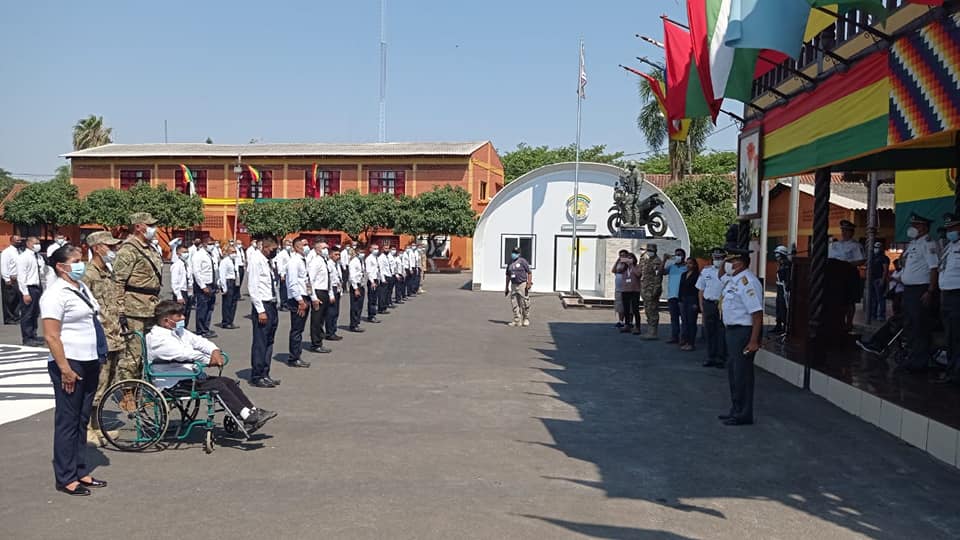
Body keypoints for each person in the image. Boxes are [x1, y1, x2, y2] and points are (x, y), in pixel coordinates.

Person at [146, 301, 276, 432]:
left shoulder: (177, 331)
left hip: (186, 375)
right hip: (171, 382)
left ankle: (252, 411)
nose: (183, 317)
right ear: (166, 321)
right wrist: (209, 361)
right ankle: (247, 416)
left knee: (228, 382)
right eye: (179, 316)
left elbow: (199, 341)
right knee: (217, 386)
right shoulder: (158, 339)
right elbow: (185, 354)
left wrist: (215, 350)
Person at [41, 245, 108, 496]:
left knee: (81, 419)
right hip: (70, 362)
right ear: (61, 266)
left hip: (89, 359)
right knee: (67, 421)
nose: (82, 264)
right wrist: (64, 369)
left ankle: (80, 469)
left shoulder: (81, 287)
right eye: (76, 260)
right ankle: (66, 477)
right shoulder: (54, 294)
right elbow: (51, 335)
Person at [80, 231, 123, 446]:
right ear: (97, 248)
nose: (113, 250)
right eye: (109, 246)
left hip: (114, 335)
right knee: (95, 385)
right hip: (100, 338)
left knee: (106, 385)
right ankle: (86, 429)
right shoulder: (88, 275)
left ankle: (97, 425)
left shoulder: (107, 271)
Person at [113, 212, 164, 383]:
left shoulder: (150, 248)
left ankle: (142, 388)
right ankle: (128, 390)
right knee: (133, 354)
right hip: (133, 309)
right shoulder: (128, 250)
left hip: (150, 307)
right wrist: (120, 310)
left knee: (148, 352)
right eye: (150, 225)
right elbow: (118, 282)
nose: (153, 229)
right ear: (138, 227)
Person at [719, 248, 764, 427]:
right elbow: (720, 275)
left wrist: (754, 341)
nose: (726, 264)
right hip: (732, 331)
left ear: (739, 263)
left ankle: (744, 414)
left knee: (742, 374)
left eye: (730, 261)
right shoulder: (734, 280)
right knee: (734, 372)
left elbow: (757, 314)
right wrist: (725, 262)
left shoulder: (748, 282)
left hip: (743, 332)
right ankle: (736, 409)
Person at [900, 213, 940, 373]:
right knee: (909, 324)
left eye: (916, 225)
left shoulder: (928, 244)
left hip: (921, 290)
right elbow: (904, 262)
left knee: (919, 326)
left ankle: (919, 362)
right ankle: (912, 358)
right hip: (909, 290)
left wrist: (930, 290)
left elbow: (934, 268)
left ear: (923, 227)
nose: (912, 228)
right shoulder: (913, 244)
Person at [247, 236, 281, 388]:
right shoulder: (256, 260)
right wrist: (260, 310)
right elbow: (253, 287)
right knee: (261, 342)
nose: (274, 252)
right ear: (266, 248)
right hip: (263, 305)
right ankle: (257, 375)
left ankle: (265, 373)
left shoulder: (269, 262)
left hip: (271, 304)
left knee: (269, 341)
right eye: (273, 249)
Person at [697, 248, 728, 368]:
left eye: (720, 258)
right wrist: (701, 305)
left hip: (722, 305)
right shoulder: (706, 271)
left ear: (724, 259)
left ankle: (721, 358)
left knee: (721, 332)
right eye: (715, 258)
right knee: (709, 331)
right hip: (709, 304)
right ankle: (711, 356)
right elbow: (701, 289)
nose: (717, 260)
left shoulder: (728, 272)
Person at [285, 238, 312, 368]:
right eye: (303, 245)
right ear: (296, 247)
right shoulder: (293, 262)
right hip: (298, 299)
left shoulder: (303, 260)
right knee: (296, 329)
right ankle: (294, 357)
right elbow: (292, 283)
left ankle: (297, 355)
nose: (306, 247)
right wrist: (300, 301)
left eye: (307, 244)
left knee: (300, 329)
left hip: (305, 296)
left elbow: (306, 280)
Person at [17, 236, 46, 346]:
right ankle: (27, 337)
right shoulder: (24, 257)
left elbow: (42, 272)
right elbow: (21, 277)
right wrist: (25, 293)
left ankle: (33, 334)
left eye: (38, 243)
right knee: (27, 313)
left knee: (35, 313)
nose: (38, 245)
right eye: (35, 243)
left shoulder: (38, 256)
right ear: (28, 244)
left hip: (37, 287)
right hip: (29, 288)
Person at [307, 241, 333, 353]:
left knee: (321, 319)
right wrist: (313, 297)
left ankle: (319, 340)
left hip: (324, 291)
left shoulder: (324, 261)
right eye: (323, 248)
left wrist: (330, 293)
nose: (326, 250)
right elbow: (310, 280)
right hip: (318, 292)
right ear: (317, 249)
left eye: (327, 247)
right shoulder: (315, 262)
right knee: (316, 319)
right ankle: (316, 344)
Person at [191, 236, 218, 338]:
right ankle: (201, 330)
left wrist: (217, 283)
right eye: (210, 244)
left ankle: (206, 328)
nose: (212, 246)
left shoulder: (211, 254)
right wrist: (203, 286)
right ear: (204, 244)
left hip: (212, 284)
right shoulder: (198, 255)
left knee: (210, 308)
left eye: (213, 243)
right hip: (203, 285)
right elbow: (196, 272)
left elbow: (215, 269)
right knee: (202, 308)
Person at [637, 243, 663, 340]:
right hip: (645, 289)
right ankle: (650, 331)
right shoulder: (647, 260)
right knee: (648, 310)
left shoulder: (657, 261)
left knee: (652, 311)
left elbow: (658, 276)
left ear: (655, 251)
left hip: (652, 289)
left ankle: (653, 332)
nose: (649, 252)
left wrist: (656, 290)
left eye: (651, 250)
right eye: (648, 250)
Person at [663, 248, 687, 345]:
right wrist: (664, 260)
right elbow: (661, 272)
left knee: (684, 319)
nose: (677, 256)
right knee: (674, 318)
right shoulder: (671, 267)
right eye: (676, 255)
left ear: (683, 256)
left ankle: (684, 338)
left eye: (679, 255)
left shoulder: (686, 267)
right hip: (672, 296)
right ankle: (674, 336)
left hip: (682, 296)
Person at [504, 246, 532, 327]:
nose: (514, 254)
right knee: (514, 303)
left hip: (522, 284)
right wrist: (506, 287)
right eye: (513, 252)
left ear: (519, 254)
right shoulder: (510, 263)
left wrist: (528, 283)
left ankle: (526, 319)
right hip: (513, 285)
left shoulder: (523, 261)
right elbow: (508, 275)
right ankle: (517, 320)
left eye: (516, 253)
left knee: (525, 302)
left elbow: (529, 273)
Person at [679, 257, 701, 351]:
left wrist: (697, 303)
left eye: (690, 263)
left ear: (695, 265)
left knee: (691, 322)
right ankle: (685, 340)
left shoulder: (697, 275)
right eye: (687, 263)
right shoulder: (684, 274)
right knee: (684, 321)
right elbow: (681, 287)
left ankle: (691, 343)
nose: (688, 265)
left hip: (692, 300)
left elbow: (698, 290)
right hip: (683, 299)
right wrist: (680, 299)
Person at [170, 244, 194, 327]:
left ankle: (184, 329)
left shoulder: (187, 264)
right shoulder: (176, 266)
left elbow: (189, 279)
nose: (186, 254)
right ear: (178, 254)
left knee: (187, 313)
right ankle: (178, 330)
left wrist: (191, 292)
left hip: (187, 291)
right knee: (179, 314)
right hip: (181, 292)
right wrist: (179, 296)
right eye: (183, 252)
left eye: (187, 252)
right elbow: (174, 282)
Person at [618, 252, 642, 334]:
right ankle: (627, 325)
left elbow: (638, 274)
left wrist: (631, 265)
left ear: (634, 259)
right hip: (625, 290)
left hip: (635, 291)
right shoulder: (624, 268)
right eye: (627, 258)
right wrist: (621, 261)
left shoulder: (637, 266)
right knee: (626, 309)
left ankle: (637, 327)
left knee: (635, 309)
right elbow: (617, 270)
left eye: (630, 258)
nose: (629, 260)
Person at [1, 234, 22, 325]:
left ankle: (16, 317)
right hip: (10, 279)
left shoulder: (20, 251)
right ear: (11, 241)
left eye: (20, 240)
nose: (19, 242)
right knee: (9, 300)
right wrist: (6, 279)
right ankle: (9, 318)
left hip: (18, 279)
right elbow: (3, 266)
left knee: (17, 299)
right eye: (17, 240)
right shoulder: (7, 252)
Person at [217, 245, 238, 329]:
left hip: (234, 282)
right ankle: (225, 322)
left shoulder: (234, 261)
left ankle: (230, 321)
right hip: (228, 282)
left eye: (235, 251)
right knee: (227, 303)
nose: (234, 253)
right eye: (232, 252)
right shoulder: (225, 261)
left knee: (233, 303)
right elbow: (222, 275)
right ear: (228, 252)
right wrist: (224, 287)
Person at [868, 241, 890, 322]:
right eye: (875, 247)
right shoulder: (873, 257)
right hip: (872, 279)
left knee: (880, 298)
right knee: (873, 298)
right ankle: (873, 315)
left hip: (879, 279)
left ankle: (881, 315)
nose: (876, 249)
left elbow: (885, 270)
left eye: (878, 247)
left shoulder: (884, 258)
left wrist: (883, 280)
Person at [772, 245, 792, 333]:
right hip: (779, 287)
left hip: (784, 288)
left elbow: (788, 277)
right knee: (778, 306)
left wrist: (787, 286)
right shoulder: (781, 264)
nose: (776, 256)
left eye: (778, 254)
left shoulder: (787, 264)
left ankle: (785, 327)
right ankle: (778, 324)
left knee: (784, 307)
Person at [325, 247, 344, 341]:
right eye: (336, 254)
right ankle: (329, 332)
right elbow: (329, 280)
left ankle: (333, 330)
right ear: (330, 255)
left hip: (337, 288)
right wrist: (331, 294)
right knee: (331, 312)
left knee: (336, 312)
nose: (338, 256)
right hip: (332, 288)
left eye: (339, 254)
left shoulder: (337, 264)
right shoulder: (329, 264)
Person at [347, 247, 366, 332]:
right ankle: (353, 325)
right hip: (356, 286)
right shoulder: (354, 262)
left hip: (361, 284)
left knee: (359, 306)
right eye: (361, 252)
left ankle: (357, 323)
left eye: (363, 252)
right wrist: (355, 288)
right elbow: (352, 276)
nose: (363, 254)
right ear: (357, 252)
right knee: (355, 306)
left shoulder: (360, 261)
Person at [611, 249, 629, 328]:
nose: (622, 257)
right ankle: (620, 321)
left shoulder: (629, 264)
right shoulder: (618, 263)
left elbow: (623, 271)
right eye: (620, 255)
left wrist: (626, 261)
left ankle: (628, 322)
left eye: (624, 255)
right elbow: (613, 270)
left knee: (627, 306)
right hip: (618, 288)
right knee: (619, 306)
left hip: (626, 288)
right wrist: (617, 261)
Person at [365, 244, 382, 323]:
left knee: (375, 299)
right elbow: (368, 271)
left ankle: (373, 314)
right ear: (370, 249)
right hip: (372, 280)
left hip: (376, 279)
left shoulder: (376, 258)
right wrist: (372, 281)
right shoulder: (369, 259)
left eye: (377, 248)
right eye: (374, 248)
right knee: (371, 299)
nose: (376, 250)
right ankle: (371, 316)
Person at [275, 239, 293, 310]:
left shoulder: (290, 253)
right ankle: (283, 304)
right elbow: (279, 265)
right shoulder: (281, 254)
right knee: (283, 290)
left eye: (290, 244)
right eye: (288, 244)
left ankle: (287, 303)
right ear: (284, 245)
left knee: (288, 289)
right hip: (284, 274)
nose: (289, 245)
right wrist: (281, 274)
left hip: (289, 273)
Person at [377, 244, 393, 312]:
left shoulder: (388, 256)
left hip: (389, 275)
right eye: (385, 248)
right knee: (382, 293)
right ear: (383, 249)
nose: (387, 250)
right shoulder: (381, 257)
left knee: (387, 293)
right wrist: (383, 279)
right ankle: (381, 308)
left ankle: (385, 306)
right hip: (384, 277)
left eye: (388, 248)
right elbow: (381, 269)